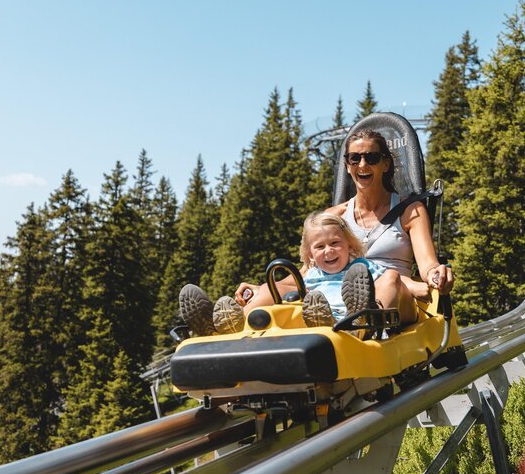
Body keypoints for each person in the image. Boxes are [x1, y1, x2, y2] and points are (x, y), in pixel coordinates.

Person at [235, 128, 454, 309]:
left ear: (385, 164)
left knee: (390, 280)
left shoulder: (410, 211)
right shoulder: (333, 217)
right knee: (269, 291)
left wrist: (437, 275)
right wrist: (265, 288)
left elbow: (428, 265)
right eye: (354, 158)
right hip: (337, 294)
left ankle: (363, 324)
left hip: (397, 297)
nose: (362, 165)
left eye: (371, 158)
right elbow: (308, 271)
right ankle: (235, 328)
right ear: (348, 166)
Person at [179, 212, 414, 336]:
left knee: (390, 277)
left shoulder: (361, 267)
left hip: (355, 321)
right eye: (320, 247)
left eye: (335, 243)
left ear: (349, 245)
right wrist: (261, 290)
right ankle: (228, 326)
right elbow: (283, 289)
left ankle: (364, 322)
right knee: (276, 288)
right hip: (317, 319)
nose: (329, 251)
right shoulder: (311, 275)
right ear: (310, 254)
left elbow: (395, 282)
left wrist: (425, 285)